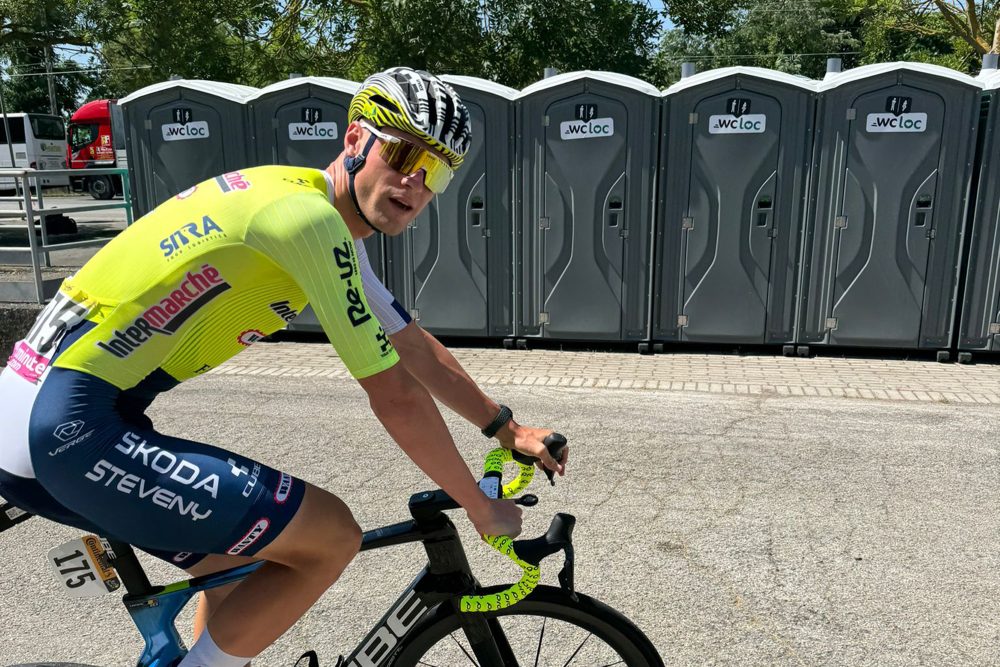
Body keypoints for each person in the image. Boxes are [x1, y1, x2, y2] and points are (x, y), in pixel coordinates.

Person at [0, 67, 566, 667]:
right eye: (403, 152)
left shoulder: (301, 203)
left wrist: (506, 429)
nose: (415, 181)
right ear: (355, 141)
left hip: (41, 418)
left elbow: (409, 343)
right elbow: (395, 394)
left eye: (438, 171)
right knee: (331, 536)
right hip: (70, 429)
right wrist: (480, 508)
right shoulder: (309, 224)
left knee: (242, 568)